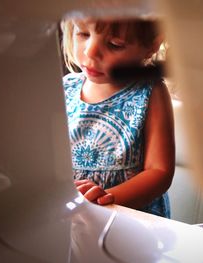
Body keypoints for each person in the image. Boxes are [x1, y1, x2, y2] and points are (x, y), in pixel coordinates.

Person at [61, 17, 175, 218]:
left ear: (151, 46)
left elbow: (159, 172)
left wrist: (107, 198)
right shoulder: (65, 88)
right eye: (83, 34)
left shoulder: (150, 91)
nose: (90, 52)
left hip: (131, 221)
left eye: (115, 44)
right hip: (74, 215)